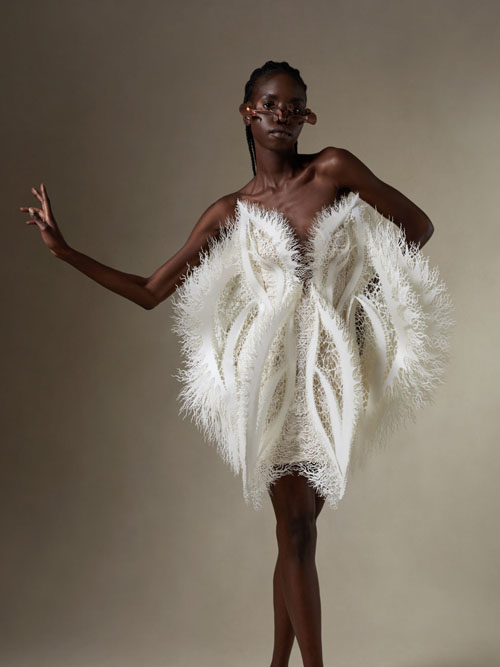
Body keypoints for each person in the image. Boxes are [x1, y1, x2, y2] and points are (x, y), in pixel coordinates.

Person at [19, 60, 450, 667]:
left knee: (297, 533)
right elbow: (150, 291)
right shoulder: (231, 211)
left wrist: (364, 297)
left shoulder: (333, 169)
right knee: (296, 530)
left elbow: (417, 226)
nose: (282, 115)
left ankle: (276, 664)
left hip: (333, 377)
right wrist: (65, 253)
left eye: (294, 106)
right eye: (270, 104)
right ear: (248, 112)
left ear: (307, 116)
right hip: (270, 382)